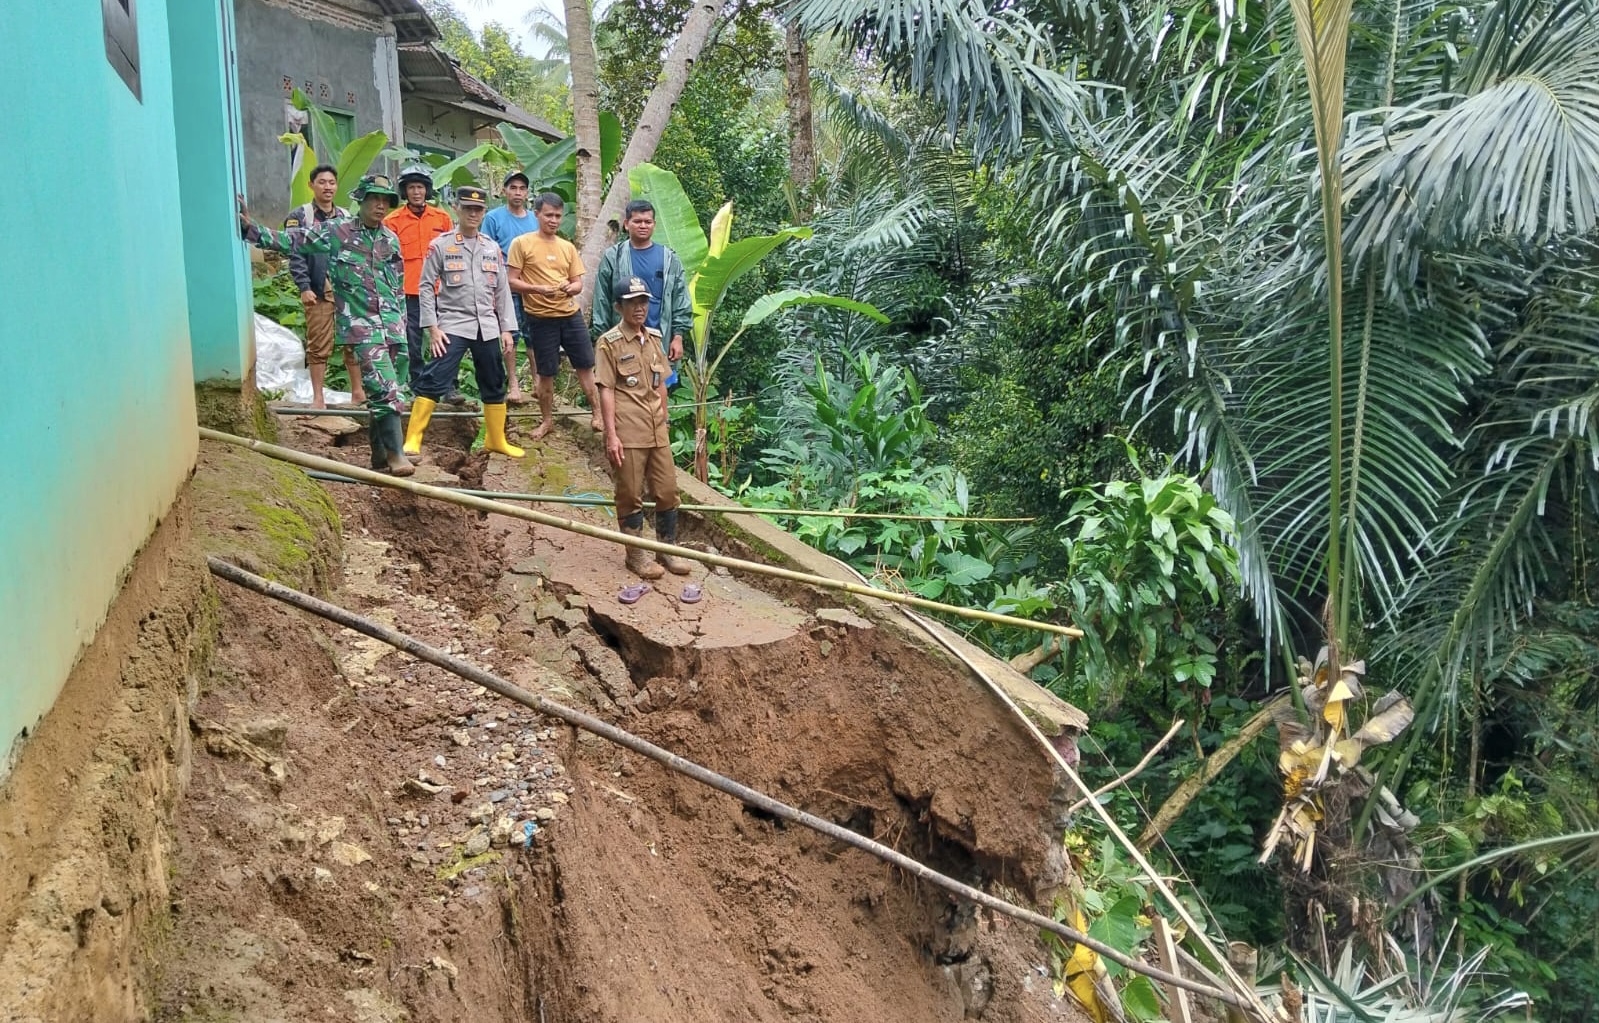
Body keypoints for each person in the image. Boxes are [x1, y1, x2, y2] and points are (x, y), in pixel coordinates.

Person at [238, 175, 414, 477]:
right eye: (374, 198)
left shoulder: (390, 239)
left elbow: (398, 284)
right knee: (385, 389)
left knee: (386, 390)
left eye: (385, 200)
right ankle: (397, 454)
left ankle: (379, 456)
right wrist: (250, 229)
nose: (380, 205)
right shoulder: (337, 232)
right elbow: (292, 241)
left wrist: (403, 324)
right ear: (361, 200)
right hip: (363, 327)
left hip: (394, 328)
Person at [403, 185, 523, 459]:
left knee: (494, 381)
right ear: (456, 208)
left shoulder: (491, 248)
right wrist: (432, 329)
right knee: (434, 378)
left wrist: (507, 329)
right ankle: (413, 439)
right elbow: (424, 286)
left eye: (478, 209)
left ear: (484, 213)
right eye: (468, 208)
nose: (473, 213)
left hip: (487, 326)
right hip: (453, 324)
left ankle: (495, 439)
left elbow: (502, 291)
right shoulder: (441, 245)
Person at [596, 276, 694, 580]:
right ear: (619, 307)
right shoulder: (609, 343)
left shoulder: (653, 338)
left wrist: (664, 417)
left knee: (667, 491)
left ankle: (668, 550)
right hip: (628, 429)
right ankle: (636, 555)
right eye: (632, 302)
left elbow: (660, 383)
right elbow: (606, 389)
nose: (639, 308)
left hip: (656, 429)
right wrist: (611, 435)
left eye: (643, 301)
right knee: (630, 493)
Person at [506, 193, 601, 439]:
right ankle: (547, 420)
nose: (554, 220)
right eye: (549, 215)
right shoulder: (521, 243)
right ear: (536, 214)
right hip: (540, 318)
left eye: (558, 216)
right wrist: (537, 289)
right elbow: (512, 281)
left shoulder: (567, 247)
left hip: (570, 315)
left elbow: (578, 282)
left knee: (586, 366)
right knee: (546, 372)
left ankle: (597, 414)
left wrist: (572, 288)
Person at [284, 164, 365, 408]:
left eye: (331, 182)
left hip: (347, 289)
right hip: (319, 288)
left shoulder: (346, 217)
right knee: (318, 343)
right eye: (322, 182)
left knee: (354, 340)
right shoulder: (300, 216)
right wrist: (304, 286)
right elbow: (295, 254)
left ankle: (358, 392)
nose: (327, 187)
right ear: (311, 185)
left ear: (336, 186)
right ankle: (318, 397)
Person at [592, 199, 692, 387]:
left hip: (659, 340)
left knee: (660, 391)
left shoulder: (669, 258)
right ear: (626, 224)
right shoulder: (614, 256)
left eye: (648, 221)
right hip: (622, 340)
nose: (643, 226)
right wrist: (602, 337)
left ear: (654, 224)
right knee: (623, 390)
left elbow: (680, 298)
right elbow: (602, 299)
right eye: (637, 221)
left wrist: (678, 337)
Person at [383, 164, 454, 388]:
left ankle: (448, 386)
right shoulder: (392, 221)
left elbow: (452, 254)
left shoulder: (442, 218)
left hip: (439, 290)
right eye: (412, 187)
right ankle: (418, 384)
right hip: (409, 291)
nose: (416, 192)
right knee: (411, 341)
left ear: (427, 190)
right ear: (405, 191)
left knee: (446, 337)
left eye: (420, 187)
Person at [480, 171, 540, 403]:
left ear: (527, 193)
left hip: (533, 287)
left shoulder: (535, 220)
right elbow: (486, 250)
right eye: (513, 187)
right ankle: (513, 384)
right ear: (504, 190)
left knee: (535, 336)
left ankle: (537, 382)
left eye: (522, 188)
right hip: (505, 287)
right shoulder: (494, 218)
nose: (517, 192)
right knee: (510, 336)